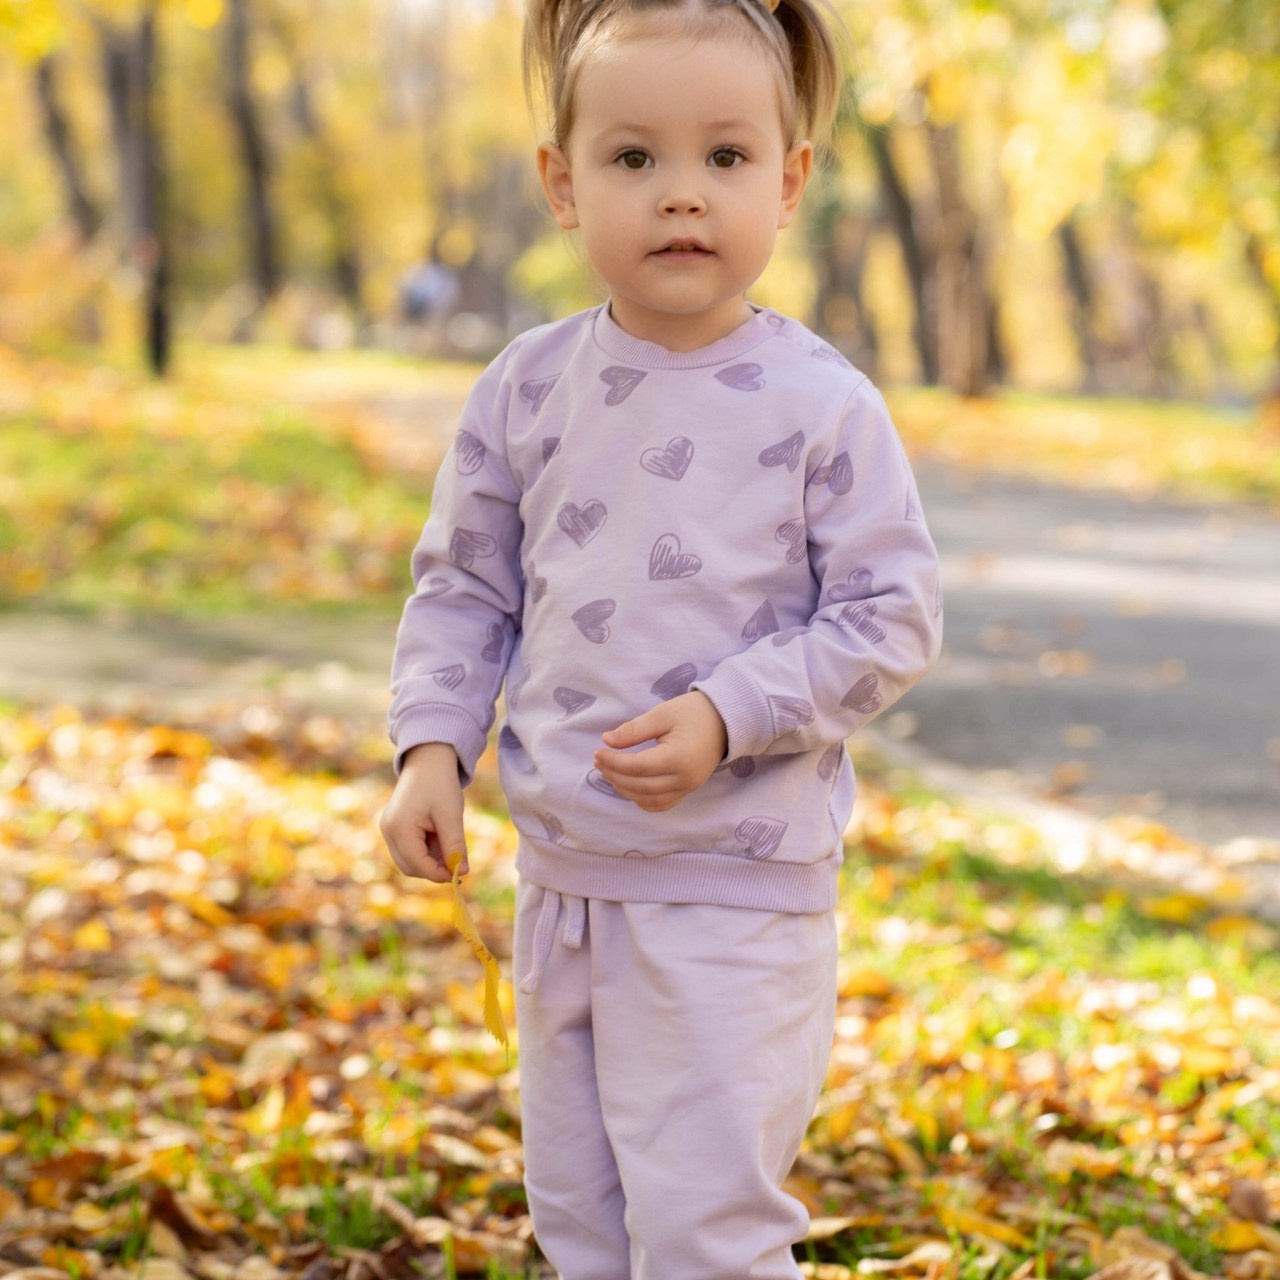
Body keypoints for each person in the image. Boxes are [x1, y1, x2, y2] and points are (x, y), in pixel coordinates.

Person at [379, 0, 943, 1272]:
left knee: (702, 1230)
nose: (680, 196)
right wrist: (430, 747)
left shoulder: (820, 404)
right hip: (566, 885)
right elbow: (465, 586)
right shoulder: (526, 387)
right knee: (584, 1222)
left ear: (788, 181)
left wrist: (727, 712)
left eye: (725, 158)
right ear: (561, 183)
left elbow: (888, 614)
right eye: (633, 158)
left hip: (731, 894)